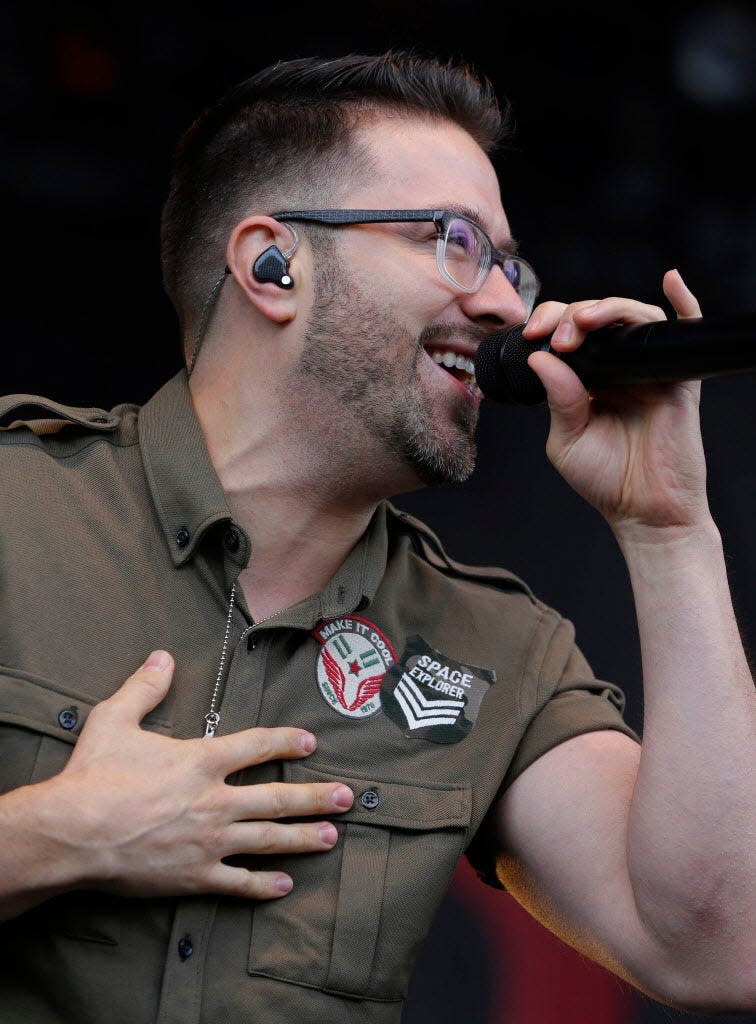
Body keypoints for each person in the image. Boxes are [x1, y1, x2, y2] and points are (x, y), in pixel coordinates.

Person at [0, 50, 753, 1024]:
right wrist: (61, 835)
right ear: (274, 265)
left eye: (510, 265)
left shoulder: (495, 651)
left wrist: (670, 529)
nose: (503, 304)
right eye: (454, 242)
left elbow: (720, 946)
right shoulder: (19, 504)